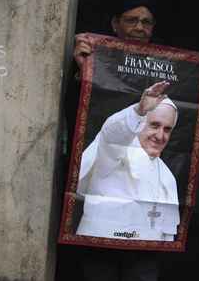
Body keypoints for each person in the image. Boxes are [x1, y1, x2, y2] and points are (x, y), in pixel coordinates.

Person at [70, 0, 199, 281]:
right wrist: (84, 65)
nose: (140, 27)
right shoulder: (114, 140)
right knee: (101, 280)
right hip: (105, 218)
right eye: (131, 20)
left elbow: (189, 99)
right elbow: (110, 134)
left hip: (145, 228)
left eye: (147, 21)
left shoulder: (164, 171)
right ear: (114, 24)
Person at [77, 81, 180, 242]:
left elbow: (168, 229)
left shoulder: (168, 178)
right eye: (154, 125)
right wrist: (139, 111)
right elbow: (112, 134)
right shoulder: (114, 152)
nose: (160, 136)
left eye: (167, 129)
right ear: (140, 123)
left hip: (142, 256)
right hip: (101, 249)